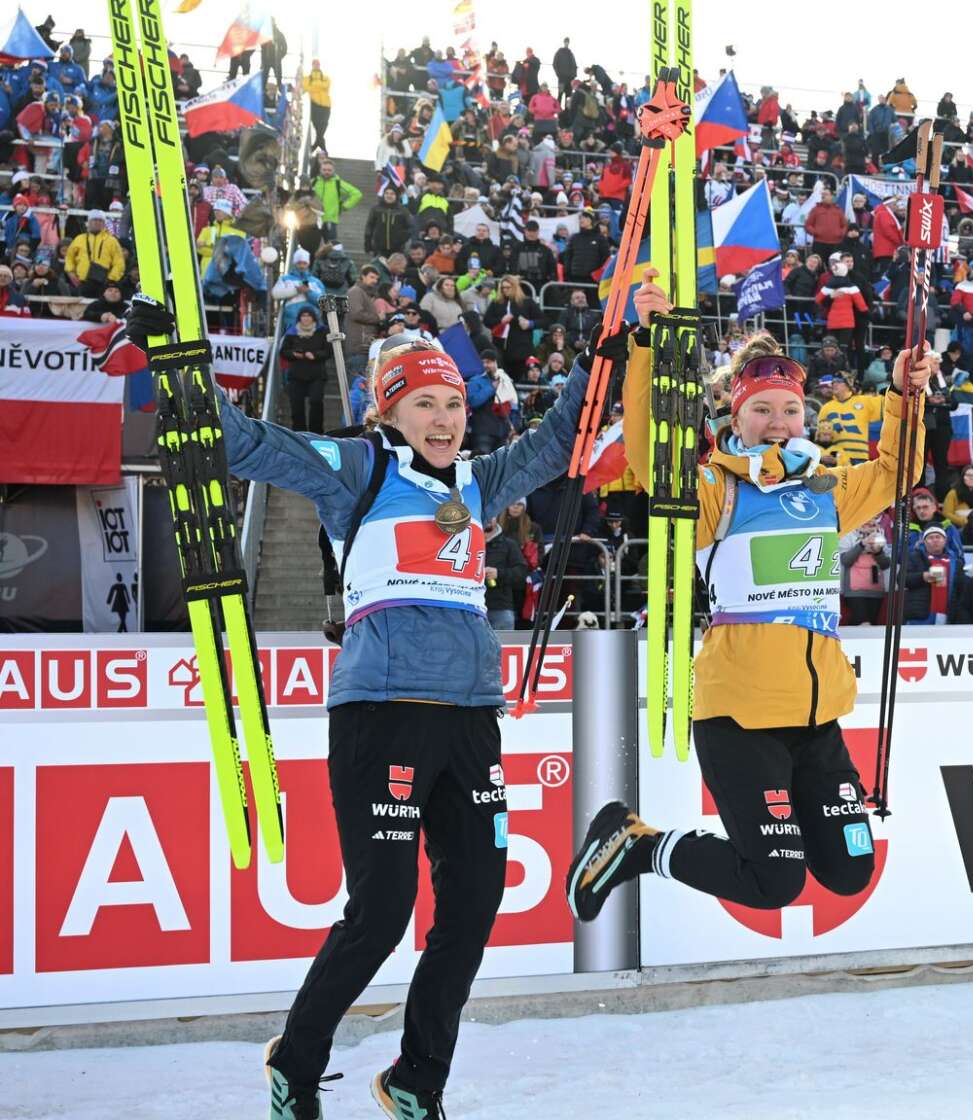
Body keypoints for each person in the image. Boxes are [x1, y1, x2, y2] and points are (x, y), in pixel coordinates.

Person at [125, 283, 640, 1118]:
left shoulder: (478, 480)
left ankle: (415, 1080)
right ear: (389, 413)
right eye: (423, 405)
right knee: (383, 910)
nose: (443, 420)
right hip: (382, 712)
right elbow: (246, 443)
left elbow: (557, 445)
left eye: (452, 404)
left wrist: (598, 362)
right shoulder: (357, 471)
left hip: (470, 717)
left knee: (474, 901)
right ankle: (297, 1058)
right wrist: (177, 362)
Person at [567, 316, 934, 929]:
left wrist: (904, 395)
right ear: (735, 419)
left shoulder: (827, 489)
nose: (778, 423)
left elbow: (901, 470)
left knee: (849, 870)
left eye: (789, 410)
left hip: (815, 718)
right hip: (739, 715)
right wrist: (643, 361)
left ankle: (642, 843)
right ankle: (637, 845)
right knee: (773, 881)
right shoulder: (716, 489)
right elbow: (651, 457)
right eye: (761, 410)